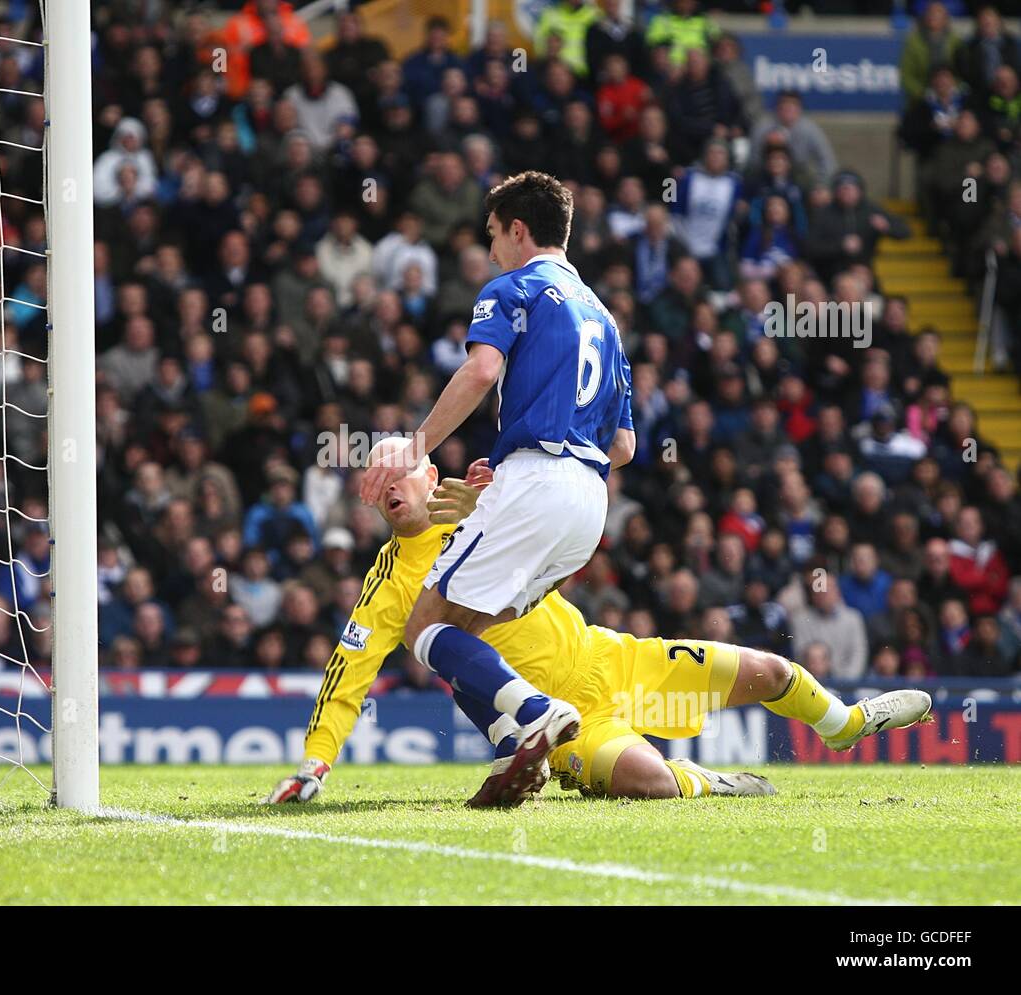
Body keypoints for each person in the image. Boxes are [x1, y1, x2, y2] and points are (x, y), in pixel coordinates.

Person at [267, 442, 932, 806]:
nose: (386, 480)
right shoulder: (386, 586)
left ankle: (845, 724)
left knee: (770, 670)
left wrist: (496, 496)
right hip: (565, 723)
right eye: (374, 472)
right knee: (649, 781)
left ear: (429, 472)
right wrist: (316, 761)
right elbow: (346, 675)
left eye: (398, 466)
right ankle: (713, 781)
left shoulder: (479, 508)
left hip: (612, 659)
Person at [359, 171, 636, 806]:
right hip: (590, 504)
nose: (490, 252)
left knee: (424, 627)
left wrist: (418, 444)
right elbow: (623, 447)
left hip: (536, 478)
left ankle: (534, 711)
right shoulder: (604, 317)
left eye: (492, 236)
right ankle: (516, 748)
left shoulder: (515, 287)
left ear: (518, 229)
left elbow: (483, 368)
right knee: (467, 632)